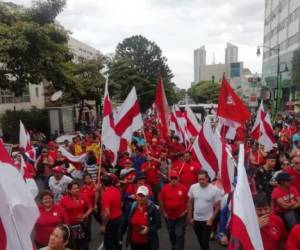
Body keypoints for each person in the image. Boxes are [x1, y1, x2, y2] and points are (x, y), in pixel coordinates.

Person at [188, 170, 222, 250]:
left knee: (204, 242)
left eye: (203, 179)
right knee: (200, 241)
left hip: (207, 220)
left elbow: (218, 206)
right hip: (196, 219)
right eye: (199, 179)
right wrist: (190, 217)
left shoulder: (215, 190)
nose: (201, 181)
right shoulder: (193, 187)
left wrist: (212, 219)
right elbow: (190, 202)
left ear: (207, 179)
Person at [119, 185, 161, 250]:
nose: (140, 198)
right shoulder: (131, 206)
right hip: (134, 242)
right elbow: (124, 222)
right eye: (139, 195)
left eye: (143, 196)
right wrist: (120, 236)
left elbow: (158, 224)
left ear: (147, 197)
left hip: (148, 243)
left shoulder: (153, 208)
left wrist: (148, 229)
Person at [159, 171, 188, 250]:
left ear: (178, 179)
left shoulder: (183, 187)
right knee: (171, 233)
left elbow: (188, 200)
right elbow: (161, 201)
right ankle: (174, 246)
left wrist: (186, 211)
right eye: (172, 178)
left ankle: (179, 248)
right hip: (169, 216)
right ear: (169, 179)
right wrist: (164, 213)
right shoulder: (164, 188)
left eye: (175, 178)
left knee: (179, 233)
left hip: (180, 216)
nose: (174, 180)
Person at [60, 181, 93, 250]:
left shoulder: (83, 196)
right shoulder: (64, 200)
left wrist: (84, 215)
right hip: (72, 226)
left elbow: (90, 207)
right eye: (74, 188)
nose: (77, 190)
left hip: (83, 224)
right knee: (75, 244)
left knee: (84, 244)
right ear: (69, 190)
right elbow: (61, 213)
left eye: (78, 188)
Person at [101, 175, 123, 250]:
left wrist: (103, 225)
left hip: (111, 222)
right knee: (118, 241)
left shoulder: (106, 195)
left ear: (102, 184)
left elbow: (107, 213)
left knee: (109, 244)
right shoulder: (117, 190)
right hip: (119, 218)